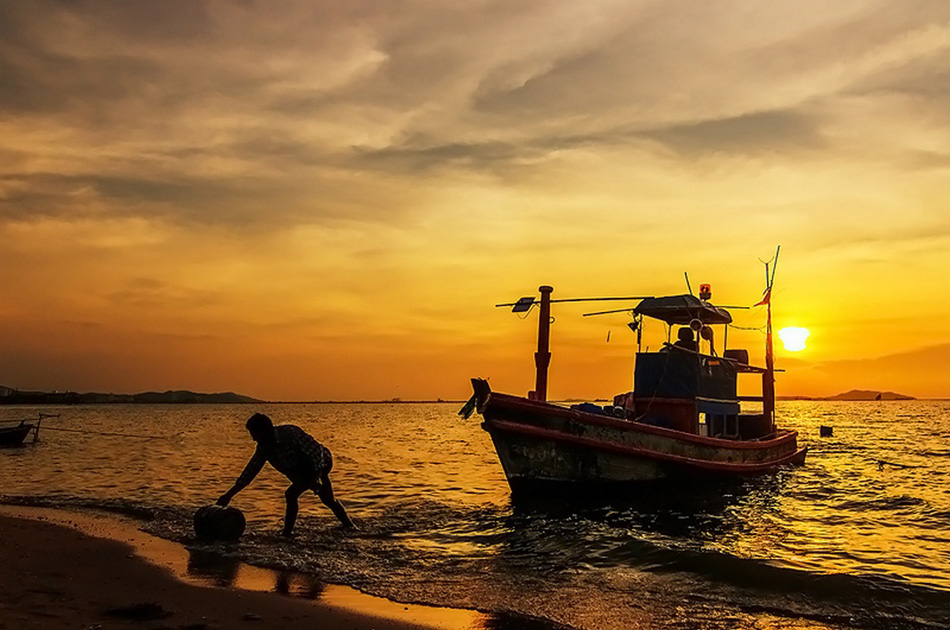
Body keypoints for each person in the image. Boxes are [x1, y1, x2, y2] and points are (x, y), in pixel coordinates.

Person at [217, 413, 355, 535]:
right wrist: (228, 495)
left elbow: (316, 451)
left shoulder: (290, 433)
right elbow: (249, 473)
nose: (254, 439)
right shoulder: (264, 448)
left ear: (265, 431)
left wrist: (318, 476)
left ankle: (287, 533)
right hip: (298, 470)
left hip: (322, 462)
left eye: (255, 435)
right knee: (326, 498)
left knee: (293, 494)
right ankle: (349, 525)